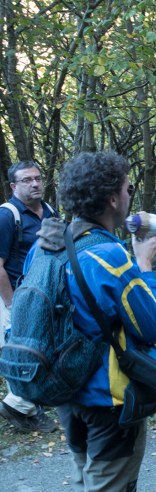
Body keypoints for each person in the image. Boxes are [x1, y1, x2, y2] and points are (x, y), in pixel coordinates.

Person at [45, 151, 156, 492]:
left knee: (88, 479)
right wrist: (145, 267)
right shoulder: (110, 255)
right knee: (107, 491)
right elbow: (154, 325)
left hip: (66, 389)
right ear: (113, 198)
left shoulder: (54, 242)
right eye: (127, 186)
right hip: (108, 396)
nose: (131, 193)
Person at [0, 161, 59, 433]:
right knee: (21, 352)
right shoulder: (7, 216)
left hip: (41, 296)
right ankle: (22, 409)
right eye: (27, 180)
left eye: (37, 178)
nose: (35, 183)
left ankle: (25, 404)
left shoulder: (49, 211)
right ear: (14, 186)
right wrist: (11, 304)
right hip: (13, 295)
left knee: (40, 348)